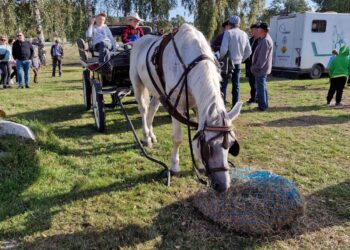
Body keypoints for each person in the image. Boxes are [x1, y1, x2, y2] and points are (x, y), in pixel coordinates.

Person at [220, 16, 252, 107]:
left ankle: (222, 106)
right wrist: (242, 59)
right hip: (238, 63)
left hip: (227, 63)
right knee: (236, 86)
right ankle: (235, 106)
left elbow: (223, 50)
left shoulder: (228, 33)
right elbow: (249, 51)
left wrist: (219, 58)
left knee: (223, 85)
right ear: (239, 24)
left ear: (229, 24)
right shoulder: (244, 34)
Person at [251, 23, 273, 112]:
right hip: (263, 69)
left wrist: (255, 67)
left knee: (260, 88)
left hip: (261, 69)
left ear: (262, 30)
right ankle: (264, 105)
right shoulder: (264, 39)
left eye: (259, 28)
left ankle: (262, 107)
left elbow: (262, 58)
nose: (257, 30)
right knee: (262, 87)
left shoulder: (265, 41)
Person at [211, 20, 233, 103]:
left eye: (230, 26)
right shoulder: (220, 36)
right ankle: (220, 99)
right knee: (222, 81)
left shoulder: (232, 36)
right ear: (225, 27)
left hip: (231, 61)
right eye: (228, 26)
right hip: (222, 61)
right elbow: (212, 45)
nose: (229, 27)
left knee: (229, 82)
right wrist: (220, 48)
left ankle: (224, 98)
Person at [245, 24, 260, 104]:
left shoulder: (260, 40)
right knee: (251, 82)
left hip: (256, 64)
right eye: (251, 30)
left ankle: (256, 98)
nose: (252, 32)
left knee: (256, 82)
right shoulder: (250, 40)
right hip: (249, 64)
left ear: (257, 30)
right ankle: (253, 97)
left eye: (253, 30)